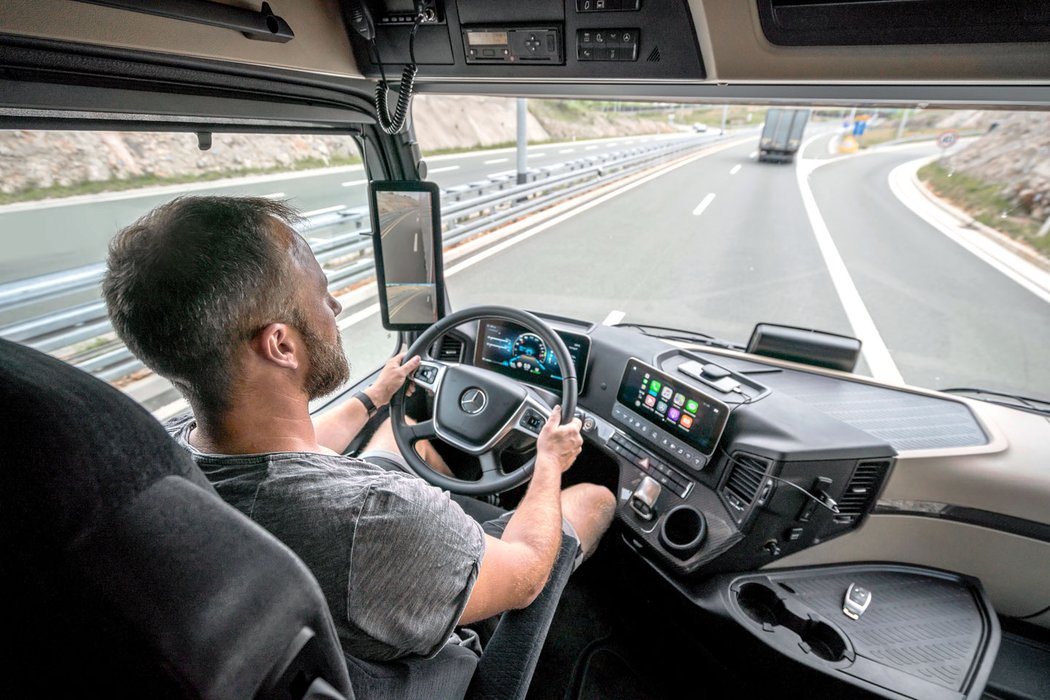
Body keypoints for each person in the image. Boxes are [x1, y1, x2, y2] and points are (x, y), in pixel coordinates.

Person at [102, 195, 616, 662]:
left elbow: (288, 456)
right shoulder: (377, 518)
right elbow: (525, 573)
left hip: (331, 602)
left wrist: (372, 397)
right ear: (280, 345)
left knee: (402, 432)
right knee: (593, 498)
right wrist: (548, 461)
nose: (337, 307)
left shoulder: (161, 452)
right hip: (432, 667)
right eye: (323, 295)